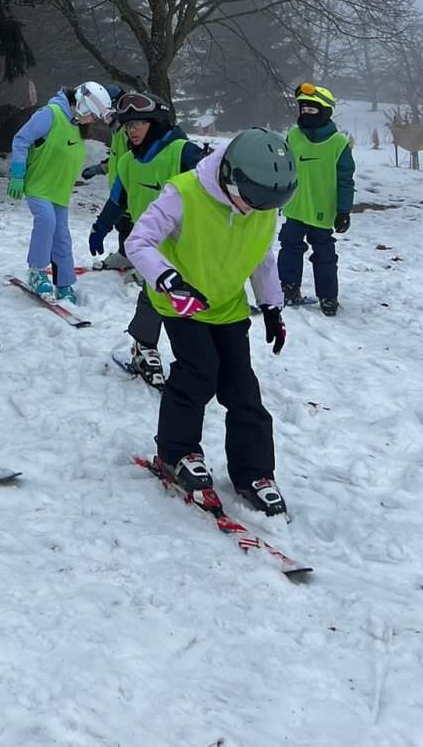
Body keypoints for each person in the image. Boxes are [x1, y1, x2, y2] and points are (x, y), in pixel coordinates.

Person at [125, 128, 297, 516]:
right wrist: (168, 279)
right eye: (249, 201)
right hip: (181, 302)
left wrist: (271, 306)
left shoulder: (261, 203)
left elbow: (262, 256)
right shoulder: (183, 192)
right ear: (231, 177)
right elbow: (138, 242)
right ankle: (176, 454)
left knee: (242, 387)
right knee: (198, 373)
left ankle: (254, 473)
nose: (253, 211)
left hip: (227, 304)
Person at [88, 92, 208, 385]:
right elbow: (117, 200)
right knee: (153, 297)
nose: (132, 130)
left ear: (155, 122)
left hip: (191, 247)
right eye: (128, 125)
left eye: (139, 123)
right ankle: (144, 348)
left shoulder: (183, 152)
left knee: (194, 303)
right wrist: (100, 227)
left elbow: (216, 184)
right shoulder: (128, 162)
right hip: (152, 252)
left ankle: (201, 358)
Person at [7, 81, 113, 299]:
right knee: (46, 221)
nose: (93, 120)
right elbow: (21, 139)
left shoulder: (75, 124)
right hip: (38, 186)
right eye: (93, 115)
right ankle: (36, 272)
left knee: (62, 236)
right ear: (82, 105)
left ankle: (64, 283)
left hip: (59, 192)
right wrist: (17, 174)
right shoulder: (50, 114)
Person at [278, 82, 355, 316]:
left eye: (312, 110)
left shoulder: (338, 143)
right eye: (303, 109)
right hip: (295, 207)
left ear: (325, 112)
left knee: (324, 255)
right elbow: (282, 167)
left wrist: (344, 211)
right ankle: (289, 286)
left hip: (322, 210)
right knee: (289, 247)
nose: (306, 114)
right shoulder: (293, 136)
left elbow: (345, 180)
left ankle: (328, 296)